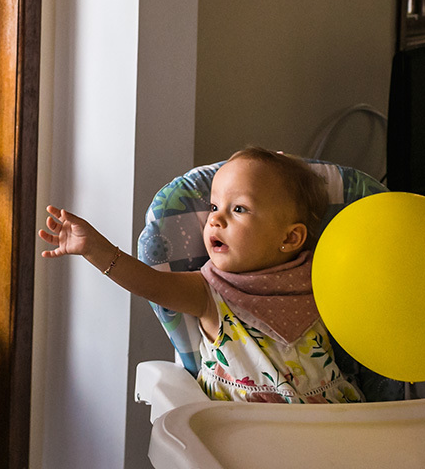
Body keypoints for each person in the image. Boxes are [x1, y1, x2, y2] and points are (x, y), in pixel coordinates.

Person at [39, 147, 364, 404]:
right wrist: (95, 247)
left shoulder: (319, 280)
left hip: (329, 427)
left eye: (238, 209)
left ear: (290, 239)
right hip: (238, 436)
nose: (216, 219)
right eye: (213, 207)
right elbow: (148, 283)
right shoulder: (210, 292)